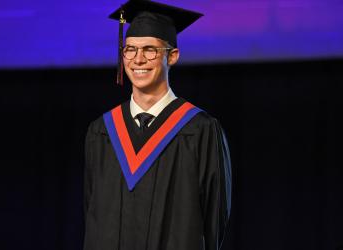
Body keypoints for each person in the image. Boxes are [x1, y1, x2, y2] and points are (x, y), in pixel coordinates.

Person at [83, 0, 232, 250]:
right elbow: (91, 210)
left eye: (150, 49)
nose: (138, 59)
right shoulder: (101, 132)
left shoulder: (200, 129)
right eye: (130, 49)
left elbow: (214, 219)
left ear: (172, 56)